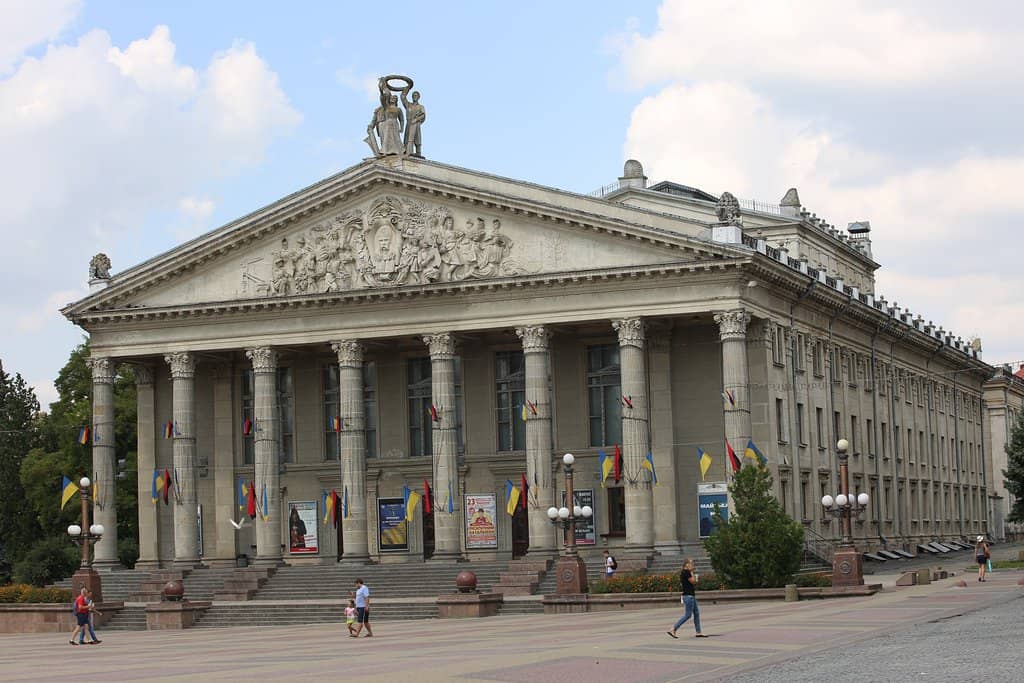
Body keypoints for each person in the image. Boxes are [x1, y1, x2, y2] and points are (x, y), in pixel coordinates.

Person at [667, 558, 706, 639]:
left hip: (690, 595)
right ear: (687, 564)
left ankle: (698, 632)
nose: (693, 565)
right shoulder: (686, 572)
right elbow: (693, 581)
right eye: (691, 563)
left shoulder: (684, 572)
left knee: (696, 613)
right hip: (688, 596)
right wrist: (692, 572)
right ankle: (673, 628)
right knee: (688, 615)